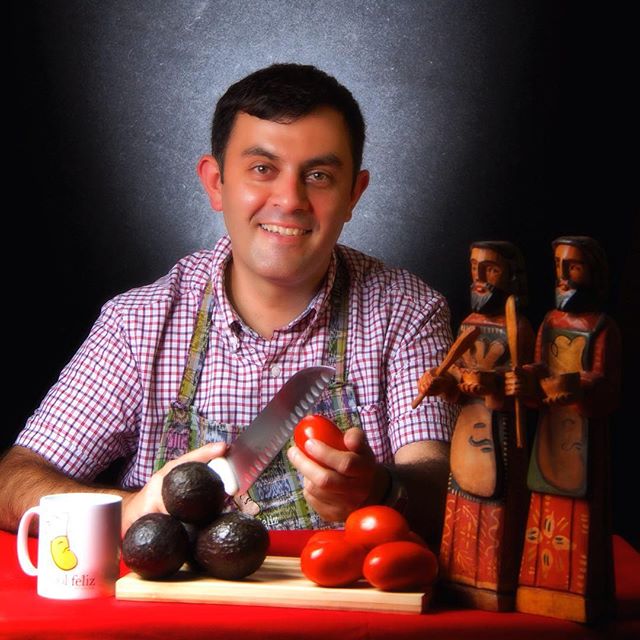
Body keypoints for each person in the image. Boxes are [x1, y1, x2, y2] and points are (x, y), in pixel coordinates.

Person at [0, 63, 455, 543]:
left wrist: (381, 490)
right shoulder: (138, 324)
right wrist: (131, 508)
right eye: (263, 169)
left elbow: (444, 488)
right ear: (216, 183)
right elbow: (13, 479)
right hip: (171, 610)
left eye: (318, 175)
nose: (290, 199)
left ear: (353, 195)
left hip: (339, 609)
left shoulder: (407, 313)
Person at [506, 236, 620, 622]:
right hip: (550, 433)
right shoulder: (550, 323)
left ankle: (579, 598)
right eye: (558, 266)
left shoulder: (603, 327)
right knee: (541, 499)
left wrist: (573, 385)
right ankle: (537, 590)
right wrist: (526, 376)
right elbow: (540, 366)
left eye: (573, 267)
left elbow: (604, 383)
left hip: (582, 439)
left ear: (594, 273)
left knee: (580, 509)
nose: (563, 277)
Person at [416, 241, 534, 610]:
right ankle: (459, 579)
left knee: (496, 499)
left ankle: (495, 587)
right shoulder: (469, 325)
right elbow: (454, 378)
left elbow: (530, 389)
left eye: (491, 270)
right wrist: (440, 384)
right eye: (474, 269)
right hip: (466, 432)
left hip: (499, 436)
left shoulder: (520, 329)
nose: (480, 279)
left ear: (511, 277)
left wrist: (496, 385)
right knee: (463, 499)